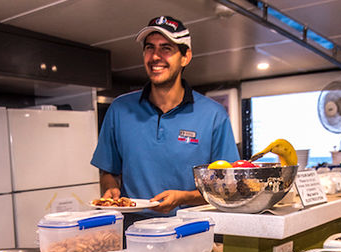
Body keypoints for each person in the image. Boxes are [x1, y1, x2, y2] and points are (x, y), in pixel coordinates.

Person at [91, 16, 240, 223]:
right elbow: (108, 172)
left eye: (166, 48)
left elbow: (228, 186)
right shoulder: (119, 109)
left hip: (191, 229)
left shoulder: (214, 115)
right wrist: (111, 189)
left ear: (185, 57)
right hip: (132, 231)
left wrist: (184, 198)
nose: (155, 56)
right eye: (149, 48)